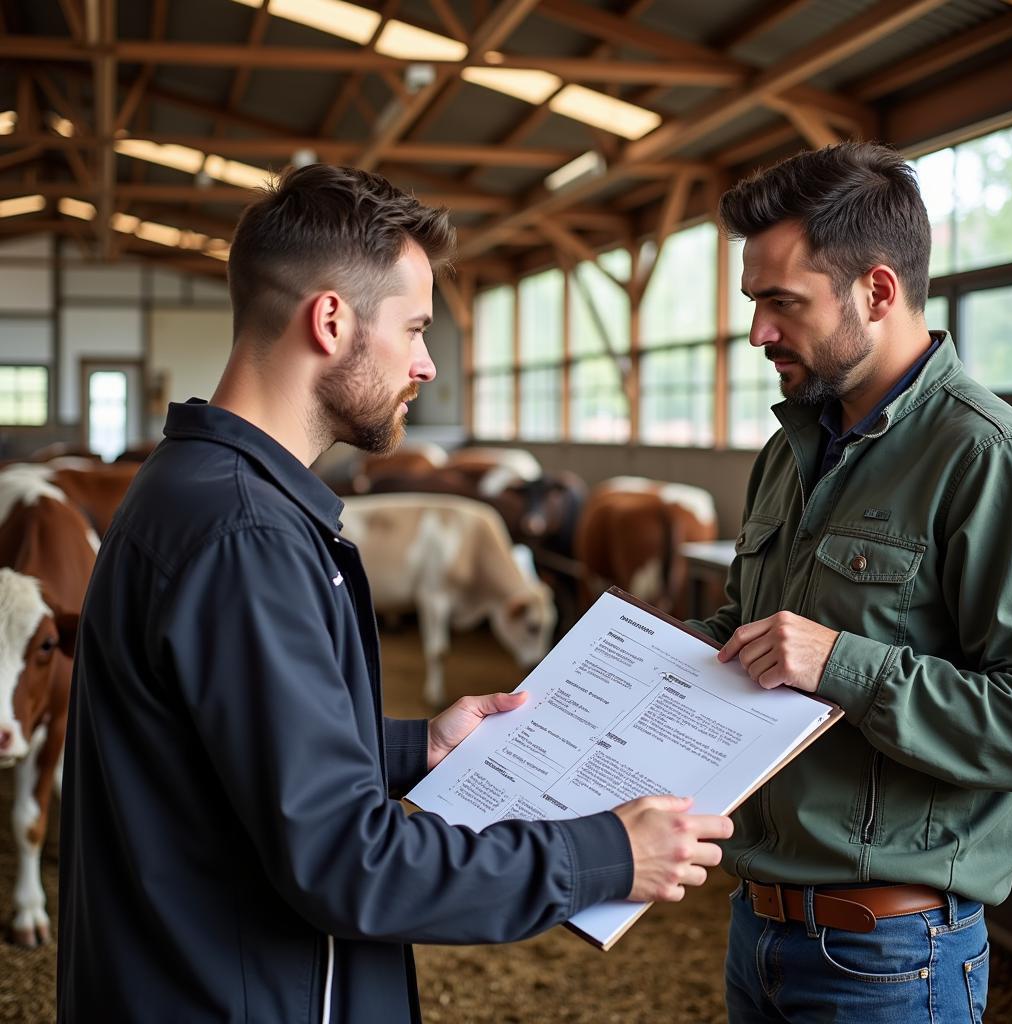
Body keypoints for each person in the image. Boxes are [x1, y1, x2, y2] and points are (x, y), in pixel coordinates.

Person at [55, 164, 733, 1023]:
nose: (426, 364)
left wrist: (415, 750)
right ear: (332, 320)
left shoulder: (198, 491)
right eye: (414, 328)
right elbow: (347, 863)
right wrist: (604, 855)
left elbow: (222, 751)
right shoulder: (246, 536)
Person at [684, 141, 1012, 1023]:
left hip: (891, 956)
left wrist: (845, 663)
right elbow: (746, 635)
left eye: (781, 303)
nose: (758, 331)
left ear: (877, 291)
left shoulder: (984, 458)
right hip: (758, 930)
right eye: (754, 301)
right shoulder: (787, 451)